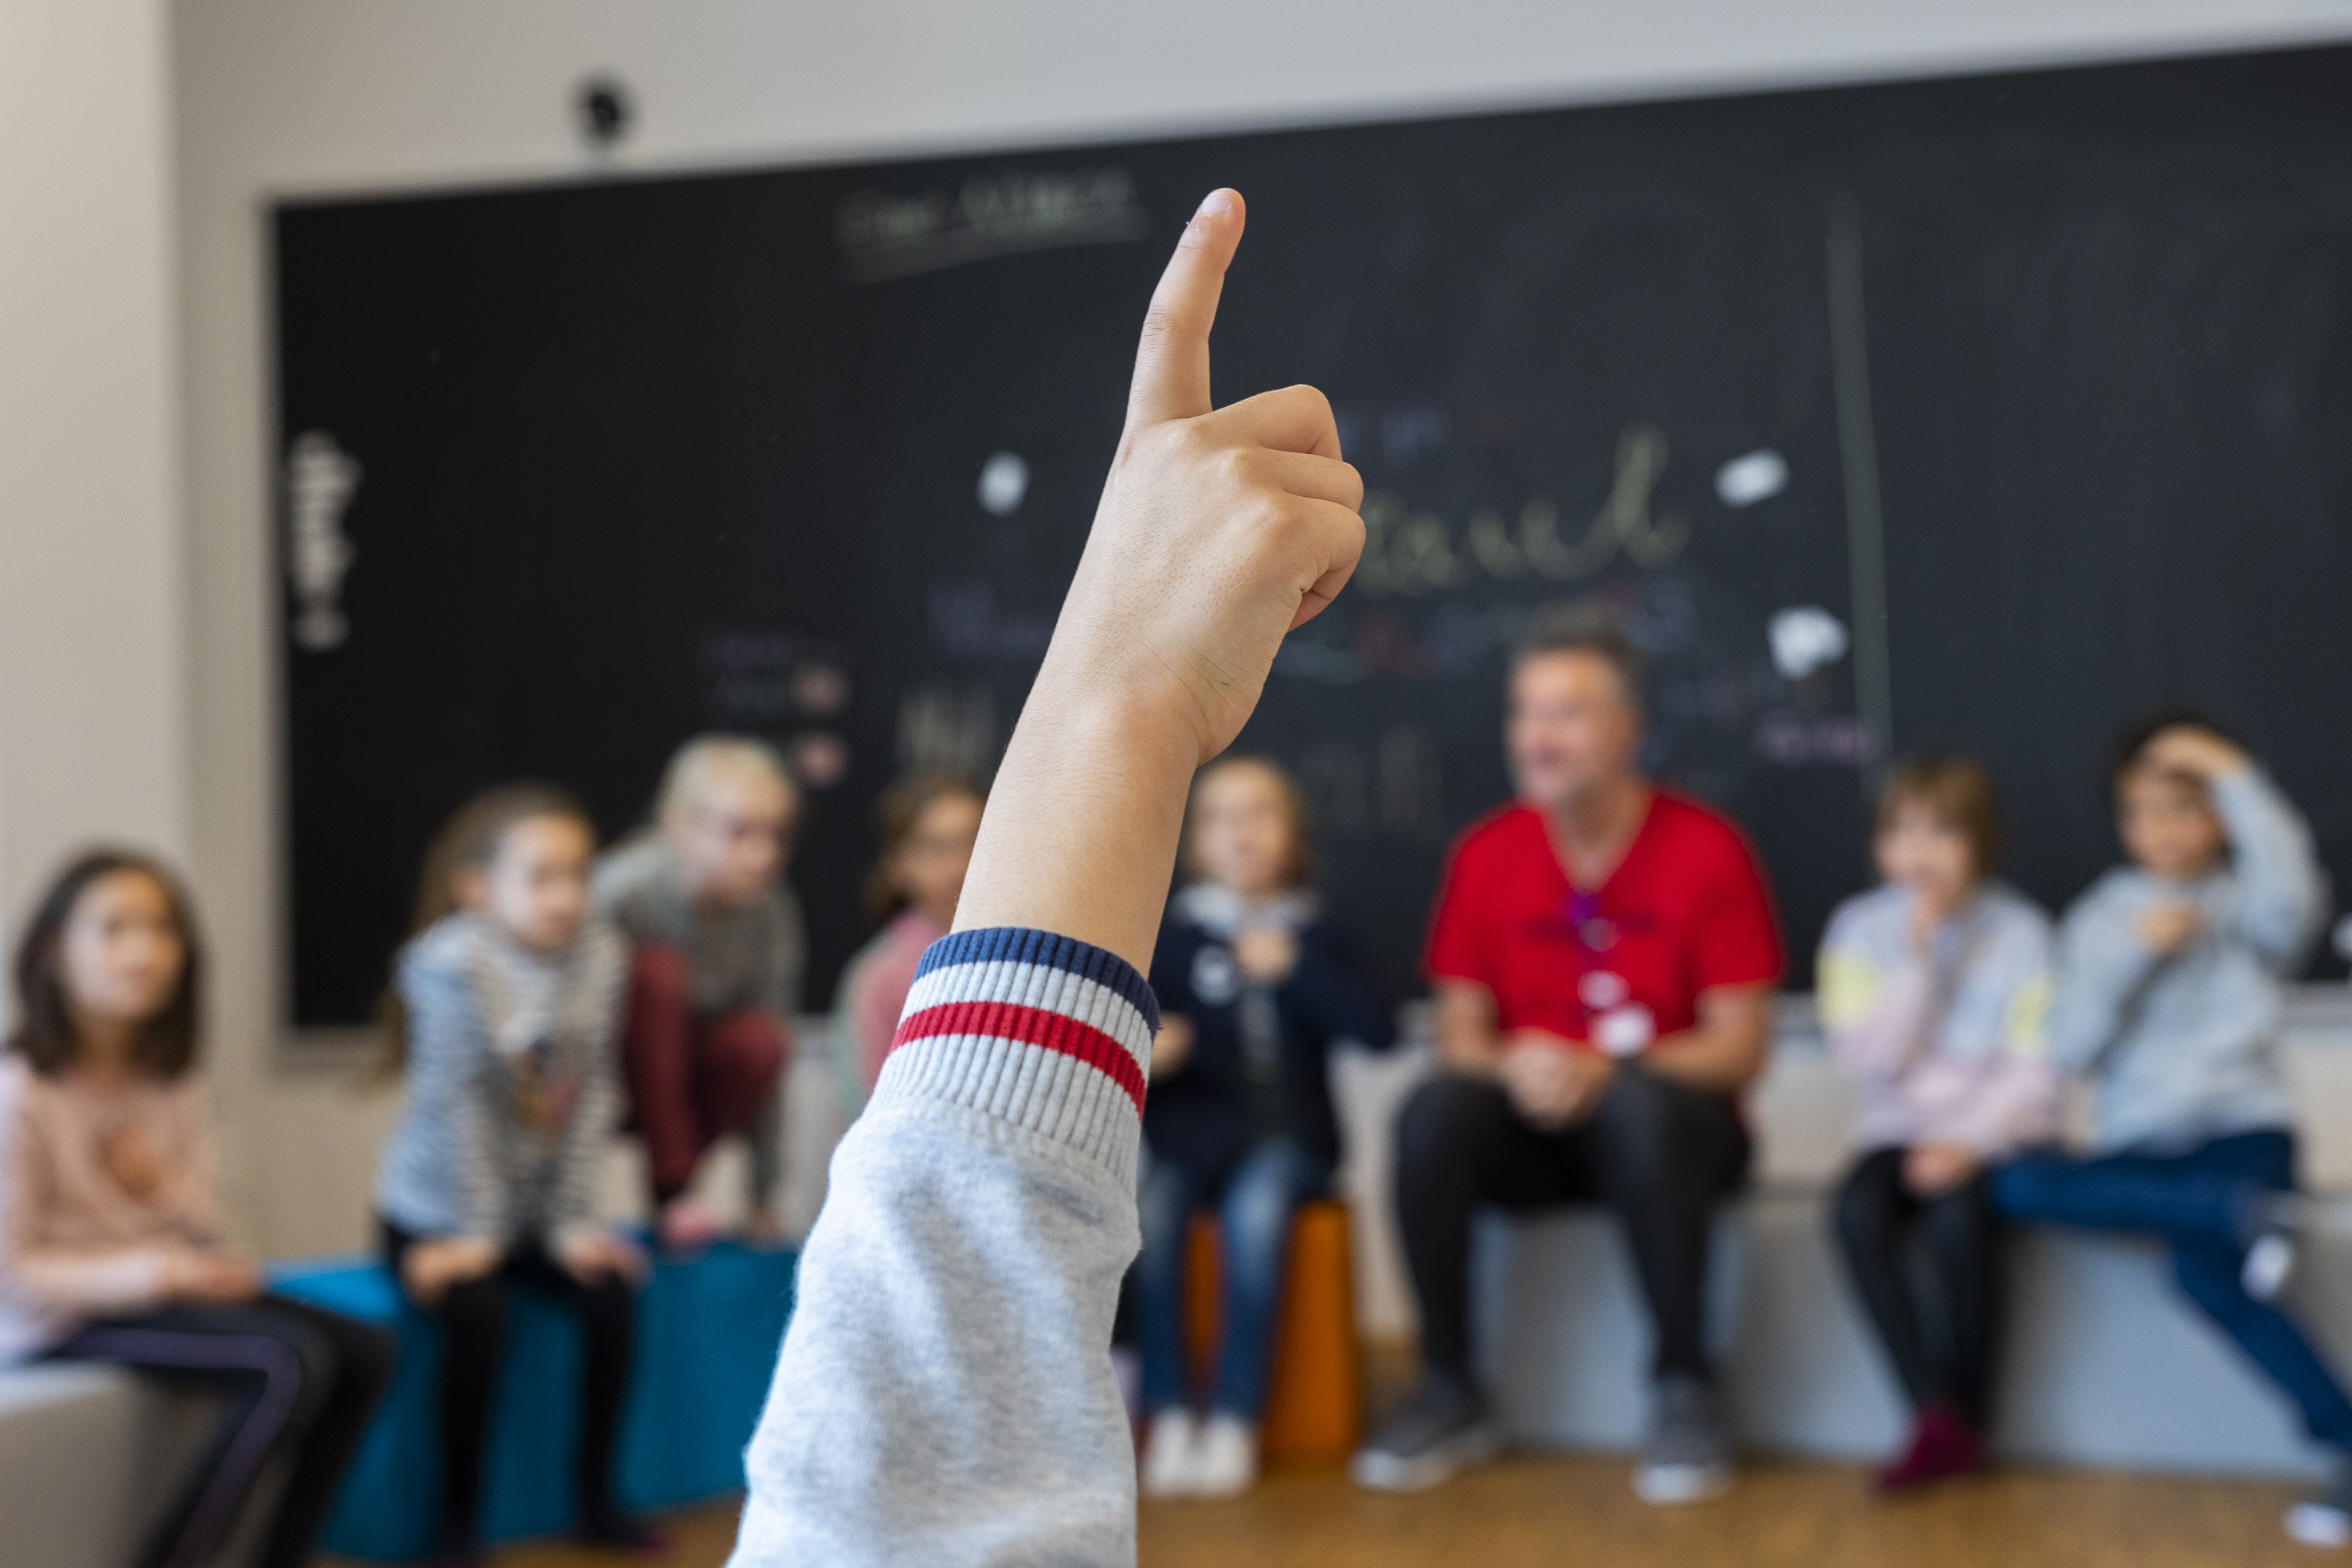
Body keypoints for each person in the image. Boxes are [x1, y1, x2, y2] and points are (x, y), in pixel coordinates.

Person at [728, 187, 1366, 1566]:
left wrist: (1127, 694)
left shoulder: (1300, 924)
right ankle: (1186, 1403)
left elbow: (894, 1493)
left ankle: (1218, 1407)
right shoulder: (1130, 932)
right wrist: (1130, 698)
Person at [1351, 600, 1783, 1503]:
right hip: (1537, 1129)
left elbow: (1740, 1049)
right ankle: (1448, 1386)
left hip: (1676, 1138)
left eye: (1566, 713)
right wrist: (1519, 1065)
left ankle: (1683, 1386)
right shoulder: (1484, 854)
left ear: (1628, 729)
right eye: (1525, 712)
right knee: (1430, 1109)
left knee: (1636, 1107)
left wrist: (1606, 1070)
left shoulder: (1708, 848)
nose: (1537, 737)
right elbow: (1461, 1030)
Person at [1990, 715, 2351, 1547]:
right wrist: (2131, 955)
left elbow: (2297, 895)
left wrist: (2233, 770)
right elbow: (2066, 1050)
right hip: (2142, 1152)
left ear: (2220, 815)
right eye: (2141, 811)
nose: (2161, 829)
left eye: (2183, 806)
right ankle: (2236, 1216)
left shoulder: (2250, 905)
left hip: (2242, 1133)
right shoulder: (2099, 919)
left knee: (2204, 1276)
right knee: (2014, 1179)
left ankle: (2343, 1439)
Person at [0, 850, 393, 1568]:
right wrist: (163, 1271)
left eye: (163, 928)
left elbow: (202, 1220)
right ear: (53, 951)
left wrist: (158, 1188)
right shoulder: (19, 1092)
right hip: (59, 1316)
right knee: (285, 1360)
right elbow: (14, 1277)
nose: (144, 951)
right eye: (115, 927)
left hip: (160, 1287)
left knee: (368, 1348)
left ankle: (282, 1555)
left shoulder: (167, 1076)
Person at [374, 784, 652, 1566]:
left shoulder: (602, 954)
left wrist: (569, 1227)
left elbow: (590, 1095)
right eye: (541, 876)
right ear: (477, 886)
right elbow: (459, 1111)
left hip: (535, 1213)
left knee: (612, 1297)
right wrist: (482, 1237)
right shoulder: (444, 965)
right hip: (438, 1212)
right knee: (479, 1313)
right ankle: (454, 1524)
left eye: (578, 874)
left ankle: (595, 1500)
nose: (566, 896)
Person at [1135, 755, 1393, 1499]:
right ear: (1193, 842)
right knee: (1151, 1221)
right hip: (1189, 1142)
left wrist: (1296, 973)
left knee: (1254, 1218)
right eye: (1219, 816)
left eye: (1260, 812)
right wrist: (1153, 1049)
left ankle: (1234, 1415)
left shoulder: (1317, 932)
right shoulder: (1171, 939)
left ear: (1295, 836)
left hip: (1289, 1146)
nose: (1240, 831)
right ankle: (1170, 1408)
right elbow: (1127, 1032)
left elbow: (1377, 1031)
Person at [1818, 754, 2059, 1488]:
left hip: (1994, 1136)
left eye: (1942, 831)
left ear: (1981, 840)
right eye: (1900, 831)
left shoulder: (2023, 932)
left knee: (1959, 1222)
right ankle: (1932, 1412)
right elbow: (1865, 1061)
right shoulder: (1858, 929)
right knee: (1854, 1211)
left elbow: (2038, 1069)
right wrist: (1915, 965)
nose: (1919, 853)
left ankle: (1970, 1421)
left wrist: (1968, 1142)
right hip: (1893, 1130)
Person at [594, 735, 801, 1251]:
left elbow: (770, 1054)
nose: (762, 855)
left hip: (691, 1091)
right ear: (676, 826)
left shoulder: (771, 913)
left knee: (760, 1040)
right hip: (610, 1080)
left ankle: (678, 1195)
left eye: (776, 835)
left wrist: (763, 1197)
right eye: (738, 832)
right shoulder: (621, 893)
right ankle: (674, 1187)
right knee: (659, 973)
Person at [829, 771, 986, 1118]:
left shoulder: (1028, 955)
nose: (959, 866)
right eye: (937, 848)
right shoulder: (879, 975)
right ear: (898, 864)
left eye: (974, 843)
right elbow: (867, 1101)